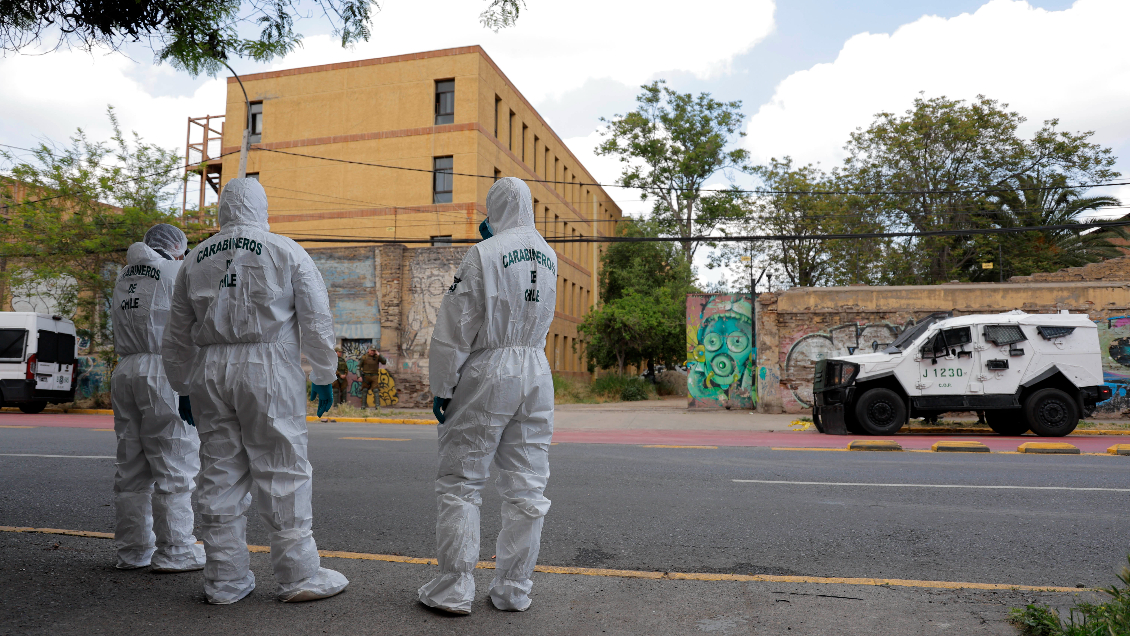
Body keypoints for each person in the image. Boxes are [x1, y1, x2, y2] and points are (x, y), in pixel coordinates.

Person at [161, 178, 347, 605]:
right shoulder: (285, 250)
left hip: (210, 369)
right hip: (268, 366)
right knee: (282, 468)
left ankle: (224, 580)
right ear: (262, 207)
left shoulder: (193, 259)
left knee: (218, 471)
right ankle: (299, 575)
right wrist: (323, 373)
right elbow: (316, 317)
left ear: (222, 209)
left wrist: (183, 384)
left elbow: (176, 335)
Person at [418, 177, 557, 615]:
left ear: (494, 208)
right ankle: (514, 589)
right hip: (536, 369)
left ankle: (455, 588)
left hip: (489, 368)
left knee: (462, 481)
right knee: (527, 486)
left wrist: (443, 385)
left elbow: (455, 325)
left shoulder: (484, 253)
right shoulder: (550, 256)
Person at [110, 223, 206, 572]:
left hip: (126, 370)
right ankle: (177, 550)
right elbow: (190, 323)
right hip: (163, 371)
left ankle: (133, 551)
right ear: (178, 248)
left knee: (131, 467)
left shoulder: (125, 277)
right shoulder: (176, 270)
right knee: (174, 464)